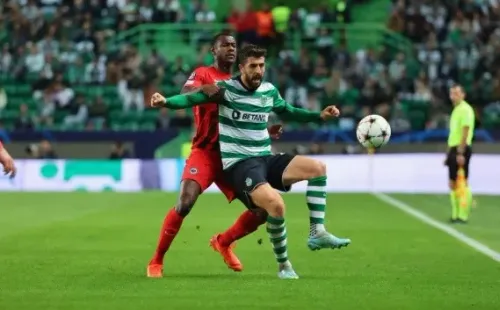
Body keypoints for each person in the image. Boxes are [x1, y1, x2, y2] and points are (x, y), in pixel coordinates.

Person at [151, 45, 351, 279]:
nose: (259, 71)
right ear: (242, 67)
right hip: (241, 164)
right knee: (275, 205)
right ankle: (284, 266)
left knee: (318, 168)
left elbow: (288, 110)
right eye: (253, 66)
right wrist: (165, 101)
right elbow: (192, 98)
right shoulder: (225, 90)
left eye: (262, 66)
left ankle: (317, 232)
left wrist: (319, 116)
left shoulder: (268, 90)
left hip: (265, 157)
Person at [147, 34, 283, 278]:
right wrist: (170, 99)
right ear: (214, 50)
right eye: (225, 45)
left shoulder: (242, 82)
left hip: (236, 155)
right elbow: (186, 93)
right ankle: (156, 260)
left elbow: (249, 117)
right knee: (185, 202)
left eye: (234, 45)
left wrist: (266, 130)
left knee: (262, 211)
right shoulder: (203, 73)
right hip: (206, 152)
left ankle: (223, 242)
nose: (231, 48)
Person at [446, 85, 475, 223]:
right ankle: (455, 214)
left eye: (457, 93)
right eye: (452, 93)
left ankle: (463, 215)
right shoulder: (456, 110)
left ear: (463, 95)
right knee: (452, 182)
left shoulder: (465, 110)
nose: (453, 96)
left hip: (461, 148)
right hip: (454, 148)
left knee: (462, 181)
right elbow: (454, 133)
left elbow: (465, 130)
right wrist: (449, 153)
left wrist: (461, 151)